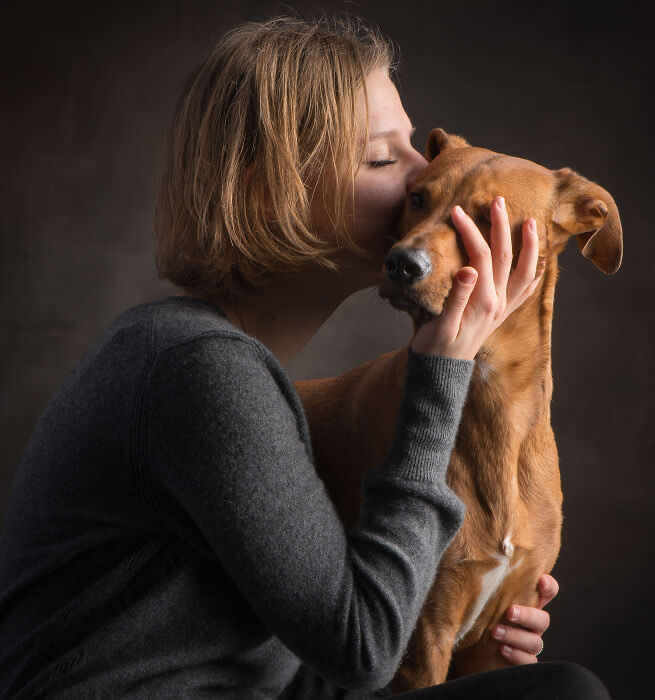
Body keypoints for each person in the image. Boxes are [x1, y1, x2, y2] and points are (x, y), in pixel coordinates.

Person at [0, 14, 611, 700]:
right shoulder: (196, 370)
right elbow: (360, 651)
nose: (428, 168)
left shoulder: (216, 363)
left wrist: (467, 631)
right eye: (383, 157)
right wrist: (442, 369)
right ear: (273, 189)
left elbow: (299, 651)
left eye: (411, 144)